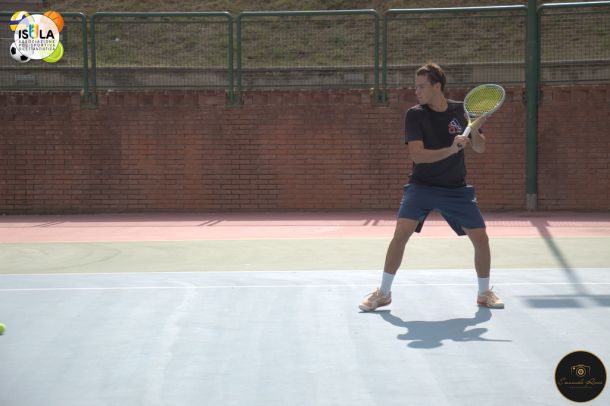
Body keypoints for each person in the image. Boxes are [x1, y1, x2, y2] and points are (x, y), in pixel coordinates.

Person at [359, 63, 504, 311]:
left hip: (455, 189)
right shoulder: (415, 114)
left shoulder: (462, 111)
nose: (416, 91)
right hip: (422, 187)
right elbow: (417, 155)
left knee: (481, 238)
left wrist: (475, 130)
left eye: (421, 86)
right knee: (401, 234)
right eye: (416, 86)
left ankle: (484, 293)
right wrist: (451, 149)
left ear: (437, 86)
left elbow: (480, 148)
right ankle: (383, 293)